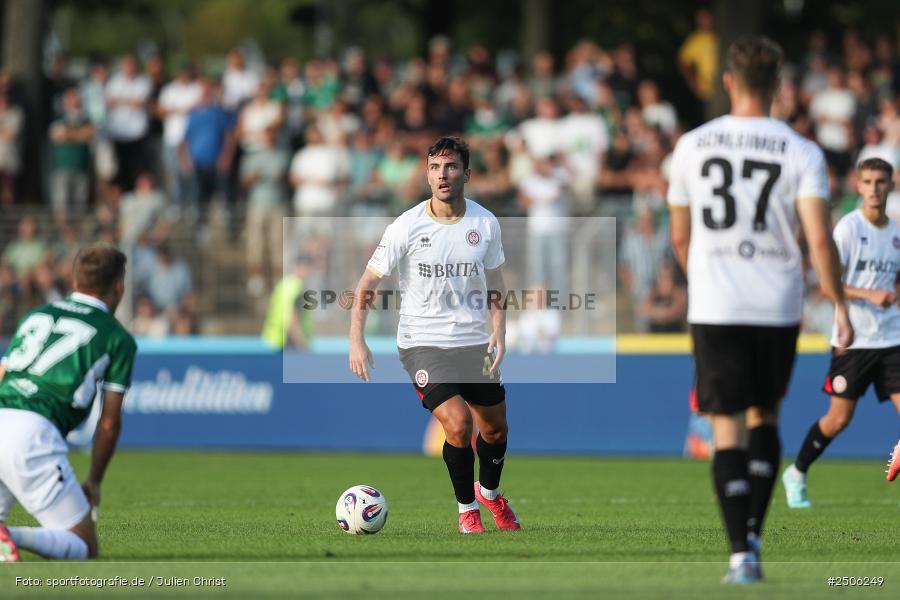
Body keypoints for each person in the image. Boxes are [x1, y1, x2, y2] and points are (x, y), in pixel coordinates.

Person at [667, 37, 853, 584]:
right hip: (776, 301)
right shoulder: (801, 150)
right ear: (777, 85)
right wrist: (839, 304)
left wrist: (704, 273)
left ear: (728, 81)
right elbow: (819, 240)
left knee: (724, 424)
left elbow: (680, 237)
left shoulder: (692, 146)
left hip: (717, 301)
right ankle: (754, 533)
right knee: (764, 417)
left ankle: (738, 555)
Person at [348, 136, 520, 534]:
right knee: (458, 425)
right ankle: (467, 511)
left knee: (495, 430)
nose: (442, 175)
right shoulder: (406, 226)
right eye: (435, 168)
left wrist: (500, 328)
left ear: (467, 174)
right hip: (422, 344)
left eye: (451, 167)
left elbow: (495, 279)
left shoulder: (484, 223)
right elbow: (366, 284)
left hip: (475, 342)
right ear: (427, 174)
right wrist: (356, 338)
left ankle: (491, 495)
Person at [0, 245, 137, 561]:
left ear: (75, 282)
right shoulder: (117, 338)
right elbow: (109, 423)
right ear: (119, 286)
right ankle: (12, 536)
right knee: (85, 548)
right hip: (31, 432)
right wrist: (95, 480)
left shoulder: (37, 315)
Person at [783, 158, 900, 503]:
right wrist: (865, 297)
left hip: (892, 337)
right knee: (838, 420)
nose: (874, 188)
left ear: (891, 185)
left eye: (881, 181)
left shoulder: (896, 233)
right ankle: (797, 471)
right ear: (858, 185)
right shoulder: (848, 229)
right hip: (854, 339)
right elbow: (827, 281)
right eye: (868, 181)